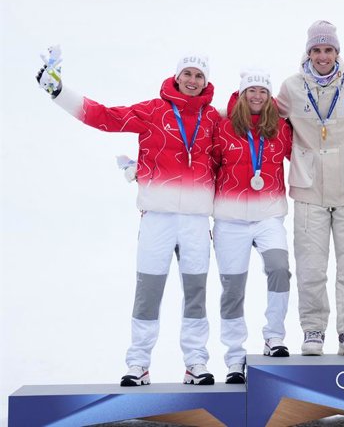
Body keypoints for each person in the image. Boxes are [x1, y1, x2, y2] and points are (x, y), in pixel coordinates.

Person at [36, 51, 219, 386]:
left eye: (199, 76)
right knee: (148, 293)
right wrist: (58, 92)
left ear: (206, 82)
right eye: (188, 74)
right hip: (157, 219)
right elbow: (105, 117)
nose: (193, 81)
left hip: (195, 221)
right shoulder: (152, 110)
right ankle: (138, 363)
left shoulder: (214, 119)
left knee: (195, 293)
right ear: (177, 76)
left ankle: (196, 362)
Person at [276, 20, 344, 356]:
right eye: (316, 50)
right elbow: (267, 120)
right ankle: (313, 330)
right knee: (311, 267)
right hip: (309, 190)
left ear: (337, 52)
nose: (322, 56)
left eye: (328, 49)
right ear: (308, 53)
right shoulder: (291, 88)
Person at [212, 70, 292, 384]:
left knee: (279, 268)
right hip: (230, 220)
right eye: (251, 91)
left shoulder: (281, 128)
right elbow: (206, 165)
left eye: (262, 91)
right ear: (242, 94)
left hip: (269, 216)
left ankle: (274, 337)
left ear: (269, 96)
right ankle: (234, 358)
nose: (257, 96)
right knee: (232, 289)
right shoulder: (223, 127)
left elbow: (304, 155)